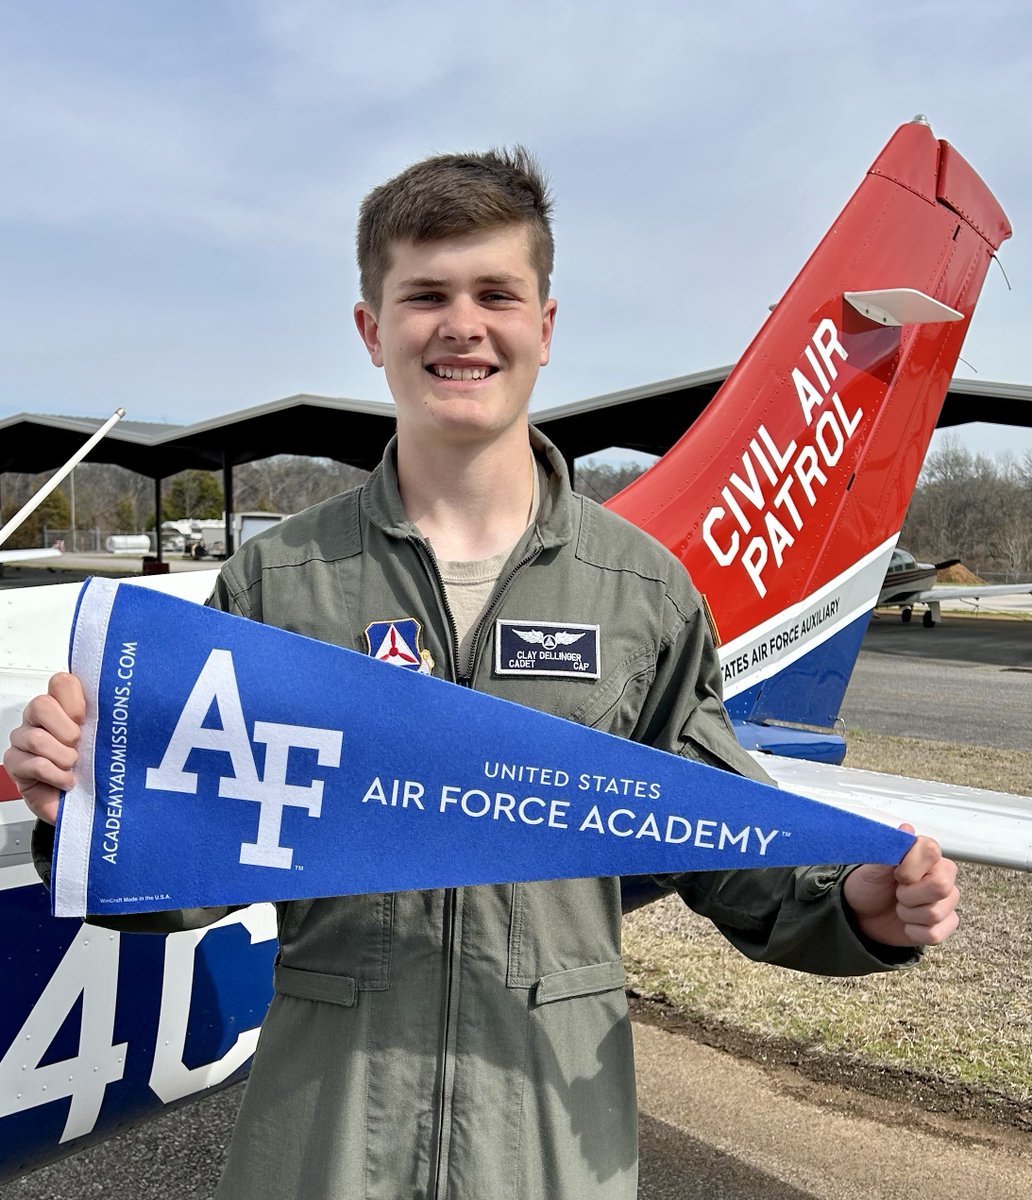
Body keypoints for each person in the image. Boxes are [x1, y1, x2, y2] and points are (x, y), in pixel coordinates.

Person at [5, 147, 959, 1200]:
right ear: (374, 331)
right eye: (425, 295)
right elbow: (193, 872)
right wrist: (85, 809)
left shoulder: (639, 591)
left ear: (545, 327)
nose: (462, 324)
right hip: (325, 1134)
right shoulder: (277, 580)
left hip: (547, 1134)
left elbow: (718, 833)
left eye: (496, 292)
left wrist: (855, 900)